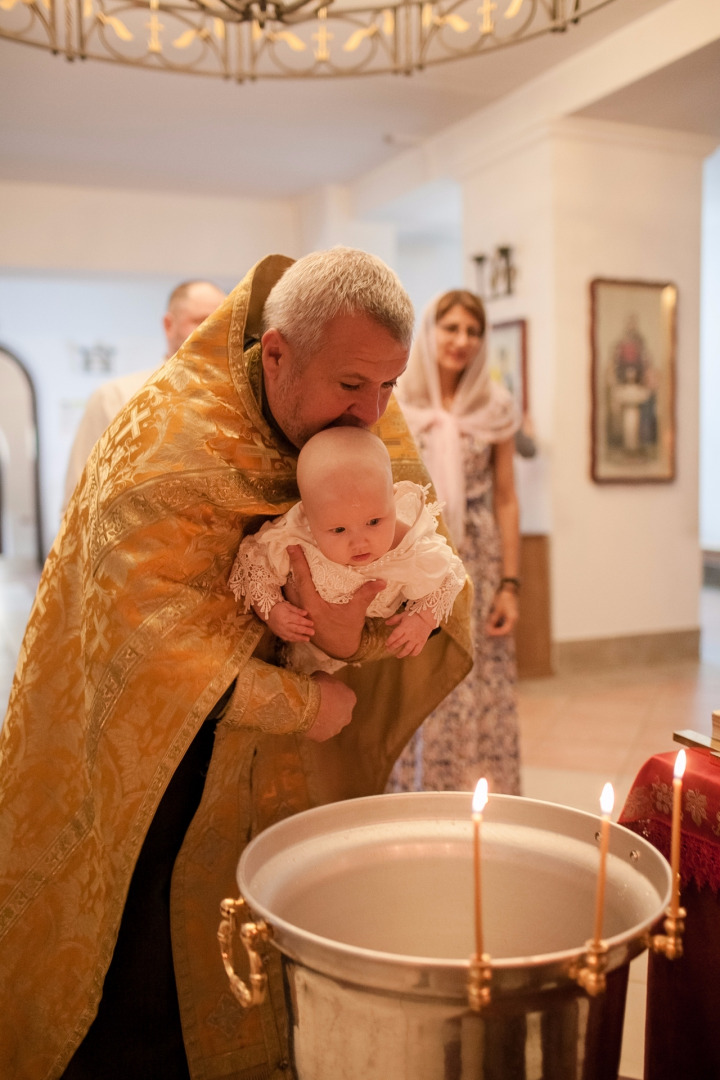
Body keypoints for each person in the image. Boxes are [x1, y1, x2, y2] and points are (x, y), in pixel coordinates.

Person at [0, 248, 473, 1080]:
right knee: (149, 968)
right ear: (281, 353)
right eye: (353, 386)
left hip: (278, 760)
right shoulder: (163, 436)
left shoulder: (365, 409)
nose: (374, 412)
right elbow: (146, 636)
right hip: (155, 760)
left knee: (278, 930)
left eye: (390, 386)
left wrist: (353, 624)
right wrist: (302, 705)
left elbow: (401, 558)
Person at [387, 288, 522, 796]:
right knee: (419, 668)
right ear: (430, 332)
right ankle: (418, 796)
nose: (461, 340)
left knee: (479, 679)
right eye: (451, 328)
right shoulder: (397, 403)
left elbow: (506, 499)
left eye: (473, 331)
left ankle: (479, 794)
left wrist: (510, 583)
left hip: (478, 560)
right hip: (414, 558)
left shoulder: (496, 407)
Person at [229, 426, 466, 674]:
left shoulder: (408, 545)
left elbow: (446, 575)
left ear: (392, 501)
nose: (360, 542)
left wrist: (422, 619)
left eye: (374, 522)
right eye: (339, 530)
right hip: (296, 647)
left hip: (363, 657)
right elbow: (255, 563)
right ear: (308, 517)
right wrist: (273, 610)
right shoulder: (296, 535)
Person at [63, 279, 226, 506]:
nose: (213, 330)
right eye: (200, 320)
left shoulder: (234, 401)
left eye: (222, 321)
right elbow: (77, 502)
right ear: (169, 325)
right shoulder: (115, 397)